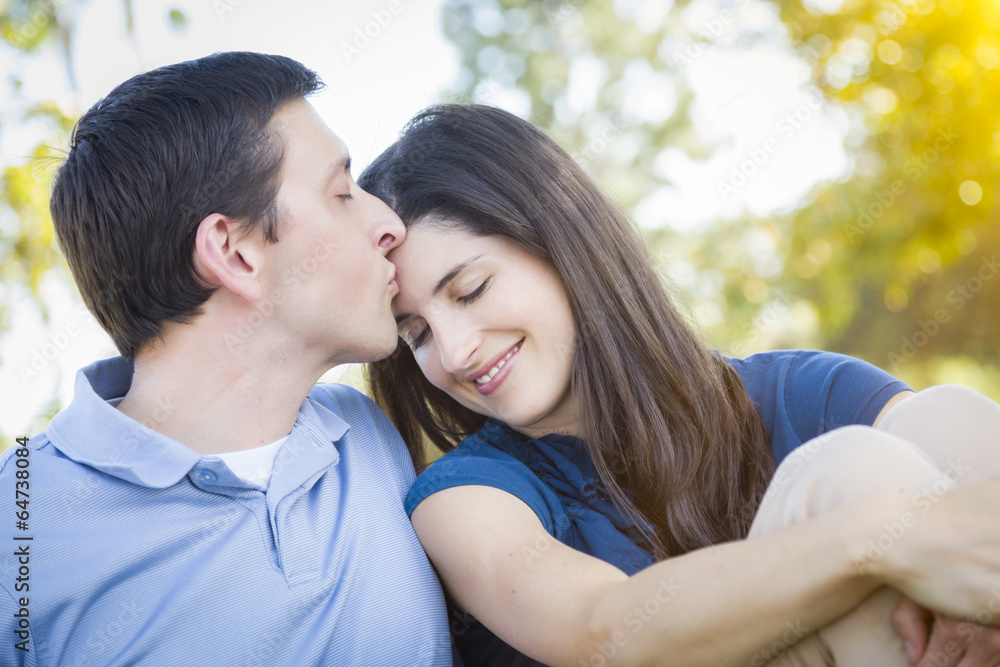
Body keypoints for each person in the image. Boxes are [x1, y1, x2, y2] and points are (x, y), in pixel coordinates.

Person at [358, 103, 1000, 667]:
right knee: (851, 473)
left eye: (471, 290)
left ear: (561, 245)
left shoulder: (804, 391)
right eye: (417, 334)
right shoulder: (463, 499)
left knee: (948, 418)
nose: (455, 351)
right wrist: (882, 537)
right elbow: (603, 634)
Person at [0, 52, 455, 665]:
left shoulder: (365, 435)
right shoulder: (21, 528)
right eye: (343, 193)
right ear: (235, 253)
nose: (390, 224)